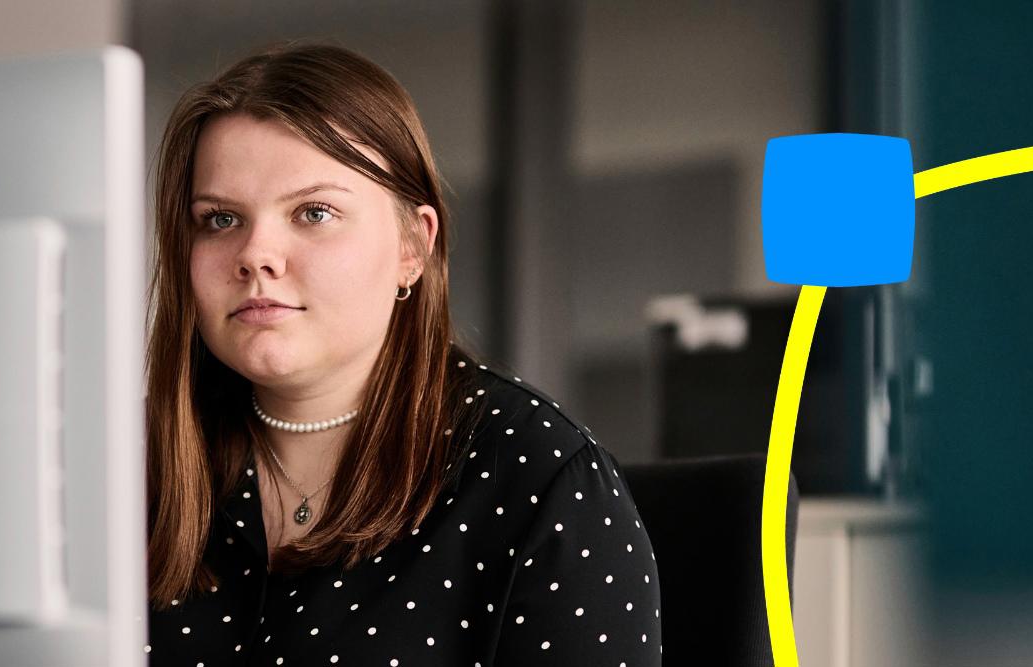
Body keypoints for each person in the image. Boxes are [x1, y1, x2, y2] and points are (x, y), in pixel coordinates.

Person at [145, 42, 661, 666]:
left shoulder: (539, 476)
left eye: (314, 212)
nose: (256, 255)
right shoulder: (128, 470)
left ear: (413, 247)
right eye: (221, 220)